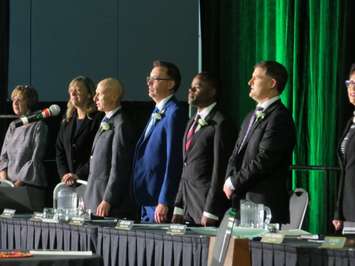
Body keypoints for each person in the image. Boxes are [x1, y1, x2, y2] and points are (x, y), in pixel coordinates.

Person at [223, 60, 296, 224]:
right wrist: (229, 178)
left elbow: (265, 159)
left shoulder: (279, 117)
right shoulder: (250, 116)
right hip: (242, 202)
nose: (250, 82)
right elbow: (236, 152)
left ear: (272, 83)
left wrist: (235, 182)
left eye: (256, 77)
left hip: (264, 206)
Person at [172, 72, 236, 226]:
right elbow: (186, 165)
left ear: (212, 92)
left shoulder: (221, 123)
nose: (191, 91)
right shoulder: (191, 122)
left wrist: (211, 210)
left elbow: (220, 170)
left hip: (205, 206)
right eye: (190, 87)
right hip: (188, 205)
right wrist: (178, 206)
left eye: (197, 87)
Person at [132, 60, 188, 223]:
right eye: (149, 78)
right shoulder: (158, 110)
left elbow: (173, 159)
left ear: (170, 84)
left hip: (159, 201)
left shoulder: (174, 112)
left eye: (155, 79)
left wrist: (164, 200)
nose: (149, 82)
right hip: (147, 198)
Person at [84, 78, 135, 218]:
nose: (94, 98)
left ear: (113, 96)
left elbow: (119, 166)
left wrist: (108, 199)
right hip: (94, 196)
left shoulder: (121, 124)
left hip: (106, 202)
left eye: (99, 94)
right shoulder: (105, 120)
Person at [56, 76, 103, 185]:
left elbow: (99, 153)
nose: (72, 93)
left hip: (91, 181)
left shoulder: (98, 118)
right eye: (71, 90)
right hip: (68, 182)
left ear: (89, 94)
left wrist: (79, 175)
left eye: (77, 90)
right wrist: (65, 175)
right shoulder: (67, 119)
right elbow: (59, 150)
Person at [0, 85, 48, 187]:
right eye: (13, 99)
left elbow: (35, 159)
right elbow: (3, 157)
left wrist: (16, 186)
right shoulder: (13, 125)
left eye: (19, 99)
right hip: (8, 185)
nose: (15, 103)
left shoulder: (39, 125)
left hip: (29, 186)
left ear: (29, 102)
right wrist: (5, 182)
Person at [333, 64, 355, 231]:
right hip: (349, 211)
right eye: (350, 83)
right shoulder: (350, 122)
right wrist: (338, 211)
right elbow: (345, 170)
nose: (352, 88)